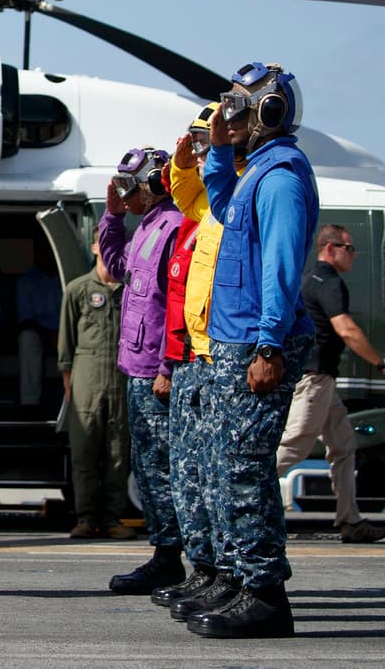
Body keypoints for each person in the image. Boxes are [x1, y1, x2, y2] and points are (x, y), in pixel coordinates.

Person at [188, 62, 319, 639]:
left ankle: (266, 595)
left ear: (269, 113)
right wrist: (215, 153)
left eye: (238, 108)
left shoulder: (283, 177)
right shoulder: (254, 174)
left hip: (257, 344)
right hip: (233, 342)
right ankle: (240, 579)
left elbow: (282, 269)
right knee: (223, 465)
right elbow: (221, 209)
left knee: (244, 468)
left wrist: (269, 344)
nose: (228, 117)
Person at [155, 103, 238, 621]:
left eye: (208, 140)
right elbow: (187, 195)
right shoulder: (202, 206)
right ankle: (207, 570)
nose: (200, 148)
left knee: (223, 474)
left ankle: (233, 575)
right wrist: (184, 162)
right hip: (193, 353)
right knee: (196, 475)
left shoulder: (234, 195)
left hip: (218, 351)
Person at [98, 145, 185, 595]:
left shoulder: (172, 225)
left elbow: (177, 304)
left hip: (156, 369)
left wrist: (169, 366)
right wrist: (112, 218)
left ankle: (174, 559)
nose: (125, 195)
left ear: (155, 185)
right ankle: (165, 554)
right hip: (136, 366)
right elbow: (114, 269)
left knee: (163, 466)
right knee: (147, 466)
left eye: (130, 188)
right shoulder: (147, 226)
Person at [276, 225, 385, 543]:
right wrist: (378, 362)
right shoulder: (329, 282)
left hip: (322, 380)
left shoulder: (311, 279)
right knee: (294, 445)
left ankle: (350, 521)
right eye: (348, 247)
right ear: (329, 248)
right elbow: (346, 329)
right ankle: (242, 505)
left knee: (344, 447)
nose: (353, 253)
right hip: (315, 380)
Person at [58, 228, 130, 540]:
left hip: (121, 377)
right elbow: (66, 346)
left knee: (117, 453)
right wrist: (70, 388)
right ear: (95, 247)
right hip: (85, 377)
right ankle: (85, 518)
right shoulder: (77, 289)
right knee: (83, 452)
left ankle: (113, 518)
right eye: (106, 242)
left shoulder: (129, 290)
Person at [16, 246, 62, 408]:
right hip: (39, 333)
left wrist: (62, 334)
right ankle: (30, 404)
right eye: (44, 252)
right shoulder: (26, 281)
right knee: (27, 338)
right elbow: (25, 320)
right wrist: (48, 335)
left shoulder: (67, 279)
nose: (48, 256)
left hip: (64, 333)